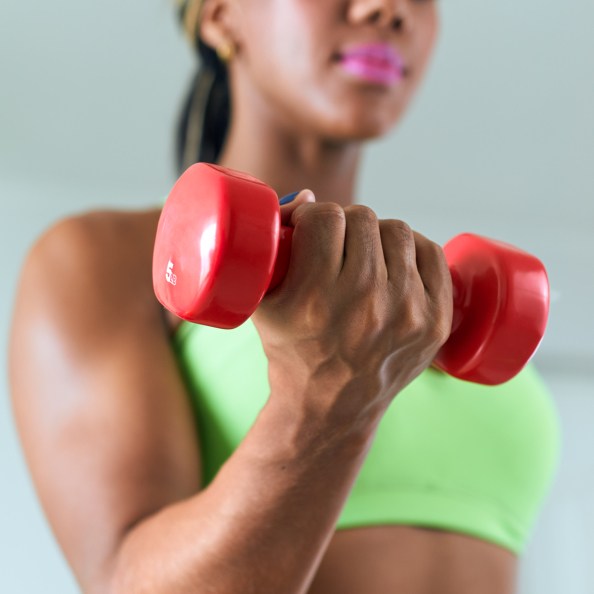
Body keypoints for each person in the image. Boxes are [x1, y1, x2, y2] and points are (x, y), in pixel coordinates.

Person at [9, 1, 560, 593]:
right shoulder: (105, 258)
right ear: (220, 16)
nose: (388, 8)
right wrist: (323, 397)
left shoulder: (422, 298)